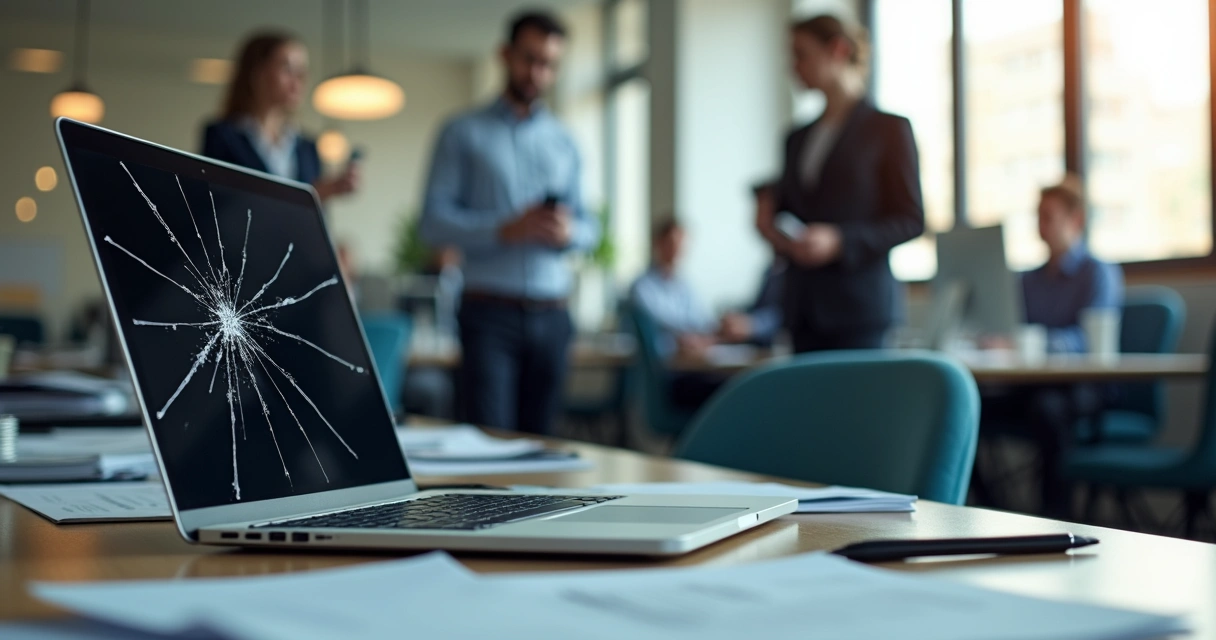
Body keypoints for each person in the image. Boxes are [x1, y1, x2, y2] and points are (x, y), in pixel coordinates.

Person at [419, 11, 598, 434]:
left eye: (549, 64)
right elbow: (432, 224)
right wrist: (503, 230)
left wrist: (570, 233)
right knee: (491, 442)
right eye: (529, 59)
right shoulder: (461, 133)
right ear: (505, 54)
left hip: (554, 316)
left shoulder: (565, 141)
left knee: (544, 446)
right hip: (489, 315)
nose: (538, 73)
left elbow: (590, 227)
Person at [756, 15, 924, 353]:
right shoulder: (796, 139)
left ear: (838, 50)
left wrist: (840, 241)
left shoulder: (888, 130)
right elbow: (790, 214)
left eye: (802, 54)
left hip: (858, 310)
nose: (793, 67)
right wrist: (772, 229)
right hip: (802, 309)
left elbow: (910, 220)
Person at [980, 175, 1124, 518]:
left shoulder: (1098, 273)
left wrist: (1033, 342)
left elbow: (1087, 340)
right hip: (1031, 385)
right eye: (1038, 217)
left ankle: (1056, 518)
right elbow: (1011, 330)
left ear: (1076, 220)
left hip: (1085, 388)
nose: (1040, 226)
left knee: (1048, 410)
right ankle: (990, 508)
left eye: (1048, 216)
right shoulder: (1028, 280)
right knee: (967, 406)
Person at [201, 31, 357, 201]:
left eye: (302, 71)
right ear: (257, 73)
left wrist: (322, 193)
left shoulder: (307, 147)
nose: (300, 79)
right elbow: (212, 202)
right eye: (288, 69)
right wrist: (312, 194)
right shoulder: (222, 136)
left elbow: (316, 215)